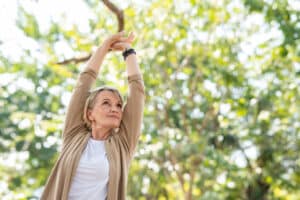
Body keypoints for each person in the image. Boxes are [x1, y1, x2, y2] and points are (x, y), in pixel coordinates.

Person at [41, 31, 145, 200]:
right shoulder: (73, 134)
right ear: (90, 114)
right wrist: (105, 47)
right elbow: (84, 82)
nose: (115, 109)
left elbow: (138, 94)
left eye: (119, 105)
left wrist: (128, 51)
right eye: (106, 103)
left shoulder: (123, 144)